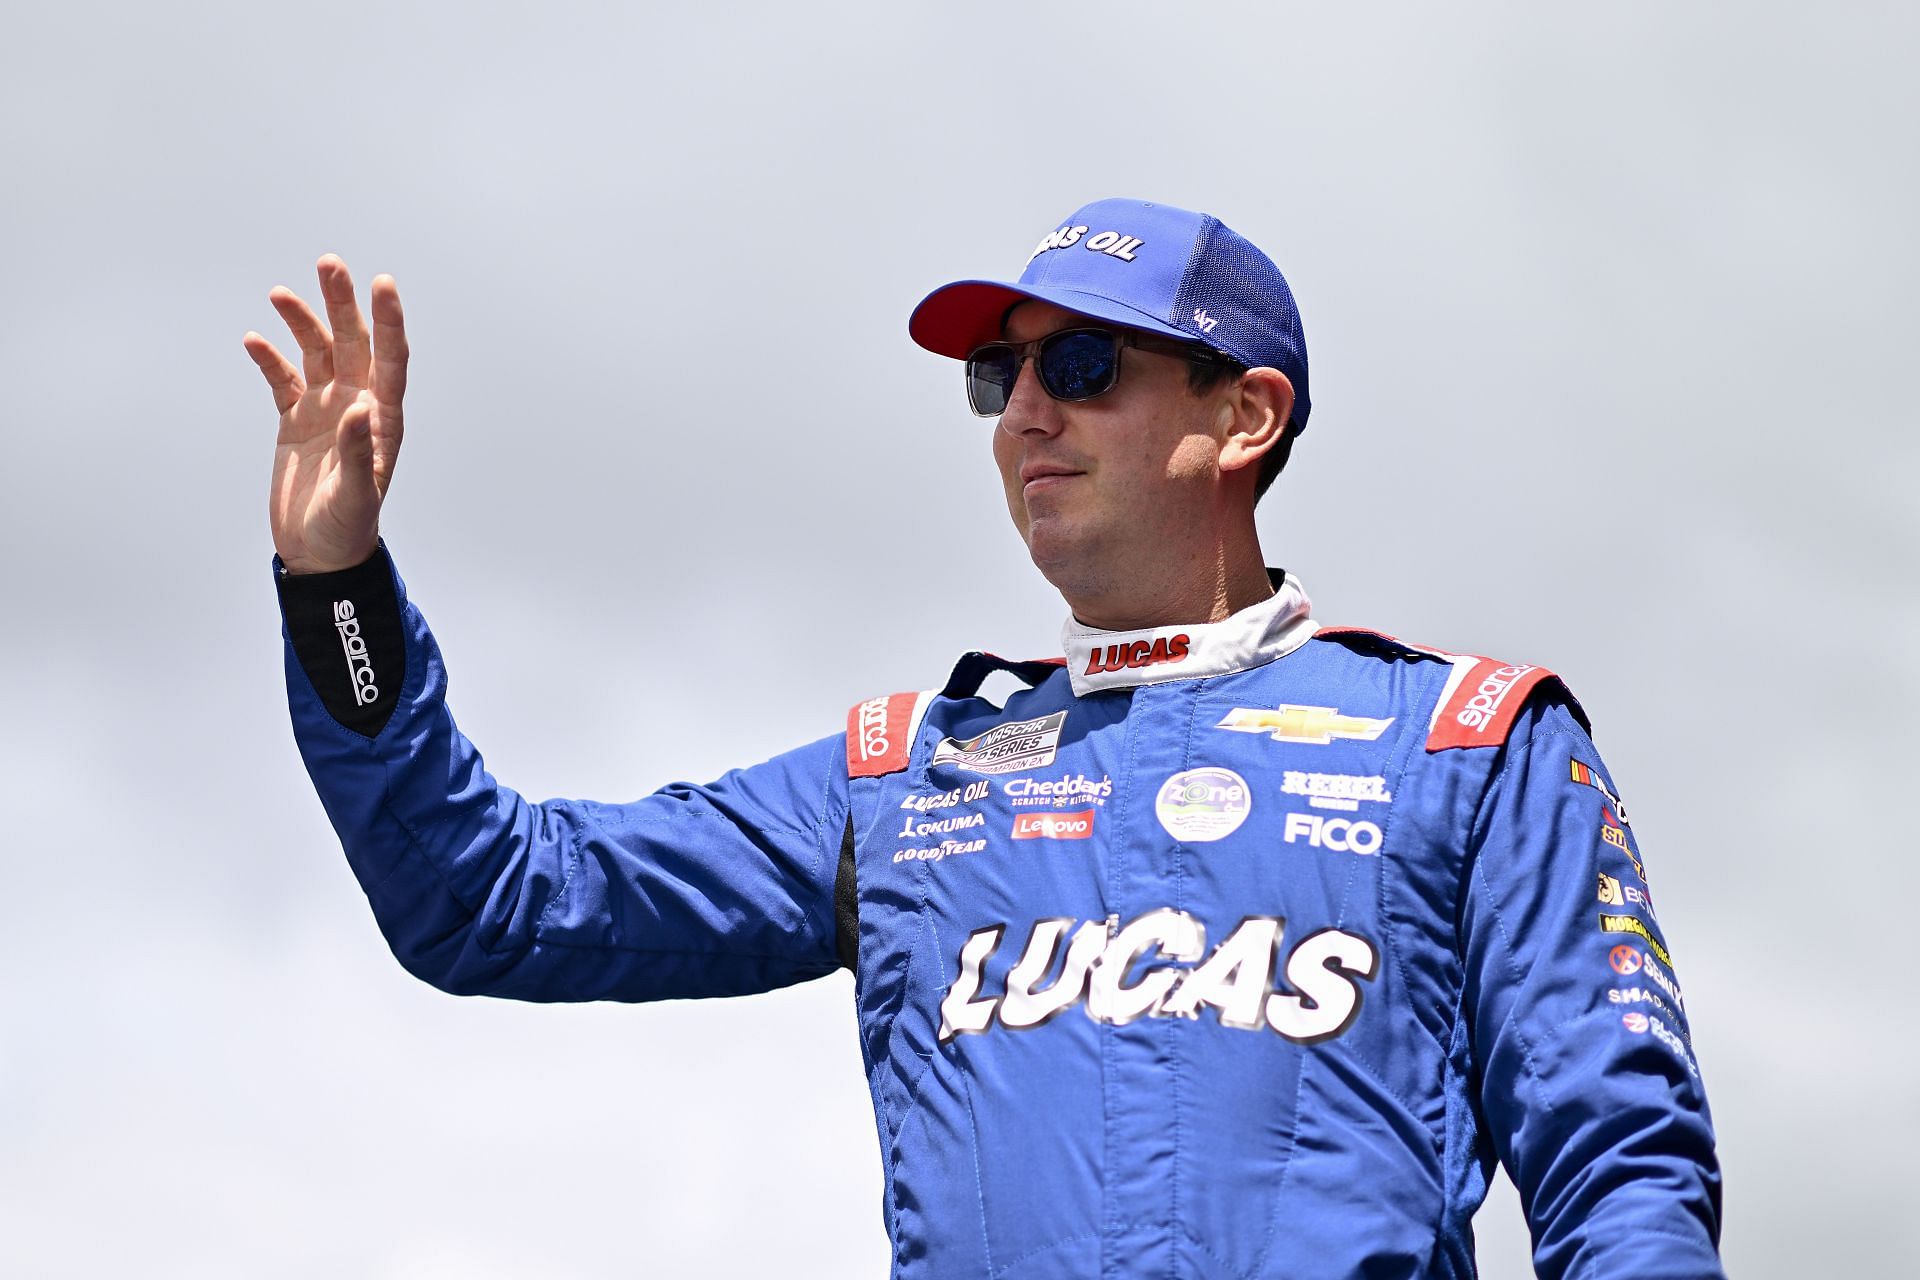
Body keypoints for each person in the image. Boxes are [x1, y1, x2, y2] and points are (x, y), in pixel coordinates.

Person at [247, 198, 1724, 1278]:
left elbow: (1625, 1182)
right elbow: (491, 903)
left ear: (1245, 416)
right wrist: (335, 590)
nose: (1023, 412)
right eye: (994, 378)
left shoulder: (1469, 745)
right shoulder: (908, 776)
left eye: (1081, 367)